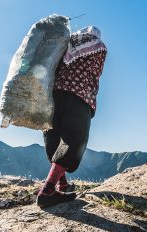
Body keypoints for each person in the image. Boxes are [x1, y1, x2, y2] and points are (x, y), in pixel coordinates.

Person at [36, 25, 108, 208]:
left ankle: (62, 184)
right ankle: (47, 191)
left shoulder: (64, 44)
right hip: (79, 96)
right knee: (73, 140)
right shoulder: (99, 46)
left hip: (53, 96)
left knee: (53, 137)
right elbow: (96, 72)